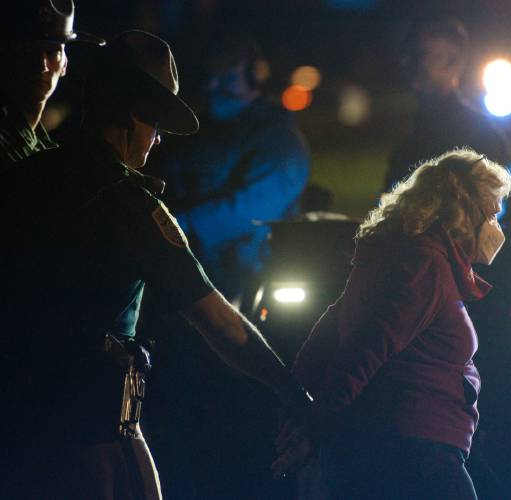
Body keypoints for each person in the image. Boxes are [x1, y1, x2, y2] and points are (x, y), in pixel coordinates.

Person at [0, 30, 311, 500]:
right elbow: (222, 326)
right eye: (157, 122)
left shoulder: (26, 176)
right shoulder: (130, 205)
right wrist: (296, 396)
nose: (159, 138)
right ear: (132, 115)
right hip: (94, 429)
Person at [274, 148, 511, 499]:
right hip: (413, 453)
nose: (497, 225)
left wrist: (300, 414)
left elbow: (327, 335)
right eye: (493, 213)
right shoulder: (424, 265)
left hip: (397, 446)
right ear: (466, 212)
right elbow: (365, 351)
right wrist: (313, 428)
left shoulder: (401, 258)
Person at [154, 27, 310, 307]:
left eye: (226, 75)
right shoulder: (195, 134)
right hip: (190, 275)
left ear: (254, 75)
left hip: (248, 283)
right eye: (210, 75)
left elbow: (250, 208)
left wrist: (175, 225)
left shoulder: (280, 140)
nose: (213, 86)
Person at [383, 18, 511, 192]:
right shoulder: (417, 129)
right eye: (408, 54)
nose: (407, 62)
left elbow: (498, 205)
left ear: (452, 63)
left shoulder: (479, 136)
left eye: (420, 55)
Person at [0, 0, 104, 170]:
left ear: (65, 64)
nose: (42, 65)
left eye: (52, 52)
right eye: (29, 51)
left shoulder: (46, 151)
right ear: (8, 56)